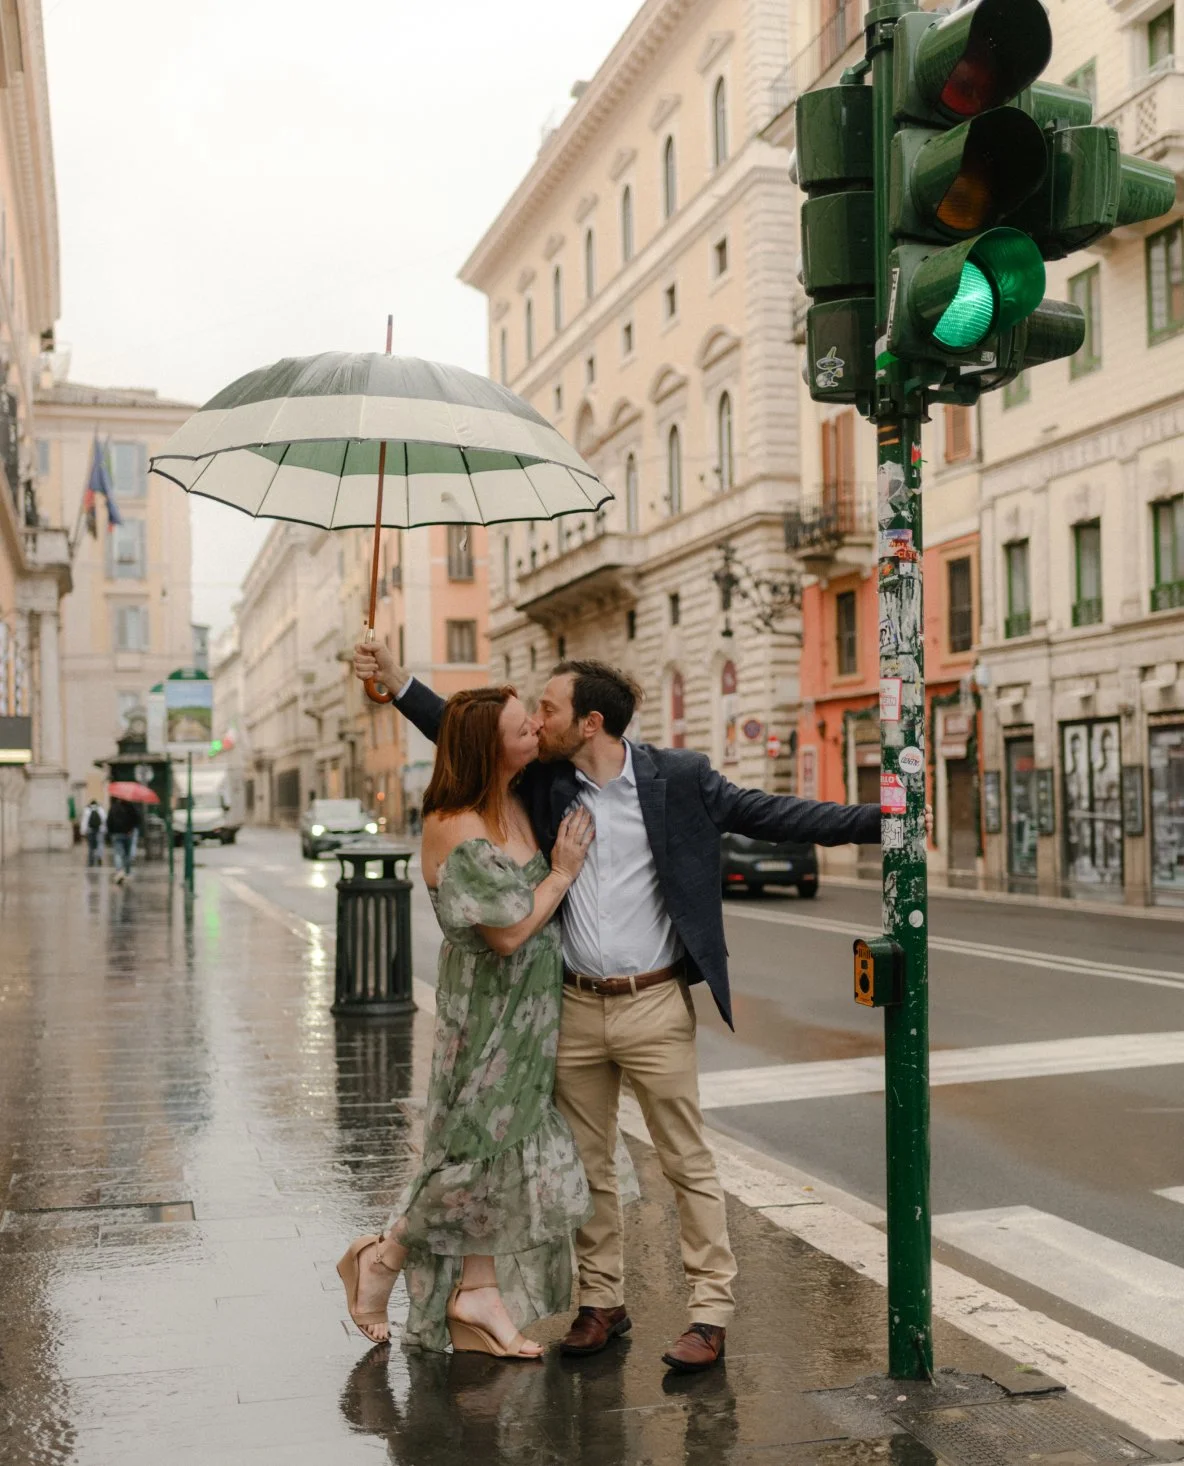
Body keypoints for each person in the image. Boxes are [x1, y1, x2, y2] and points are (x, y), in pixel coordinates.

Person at [353, 644, 883, 1374]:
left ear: (590, 721)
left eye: (548, 710)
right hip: (568, 1007)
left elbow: (775, 814)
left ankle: (710, 1311)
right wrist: (399, 682)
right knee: (587, 1166)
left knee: (686, 1161)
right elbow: (468, 730)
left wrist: (883, 819)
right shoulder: (544, 782)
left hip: (655, 1000)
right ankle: (602, 1301)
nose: (536, 723)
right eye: (532, 714)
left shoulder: (680, 779)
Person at [337, 686, 598, 1357]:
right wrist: (562, 874)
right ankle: (384, 1258)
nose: (537, 729)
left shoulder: (514, 796)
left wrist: (398, 678)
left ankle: (477, 1293)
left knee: (500, 1156)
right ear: (488, 747)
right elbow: (507, 934)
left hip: (532, 1012)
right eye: (522, 726)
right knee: (467, 1153)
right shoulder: (455, 822)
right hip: (484, 1011)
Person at [106, 797, 138, 884]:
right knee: (127, 854)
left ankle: (119, 871)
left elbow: (109, 821)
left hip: (116, 834)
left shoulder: (114, 807)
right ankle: (127, 873)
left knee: (118, 854)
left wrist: (110, 833)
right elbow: (136, 819)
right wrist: (130, 829)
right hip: (127, 834)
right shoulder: (130, 807)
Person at [83, 799, 106, 867]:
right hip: (99, 830)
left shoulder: (87, 810)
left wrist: (83, 831)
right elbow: (104, 819)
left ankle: (91, 860)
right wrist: (104, 830)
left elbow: (84, 821)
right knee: (100, 844)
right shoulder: (101, 809)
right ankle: (99, 858)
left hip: (90, 830)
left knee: (91, 846)